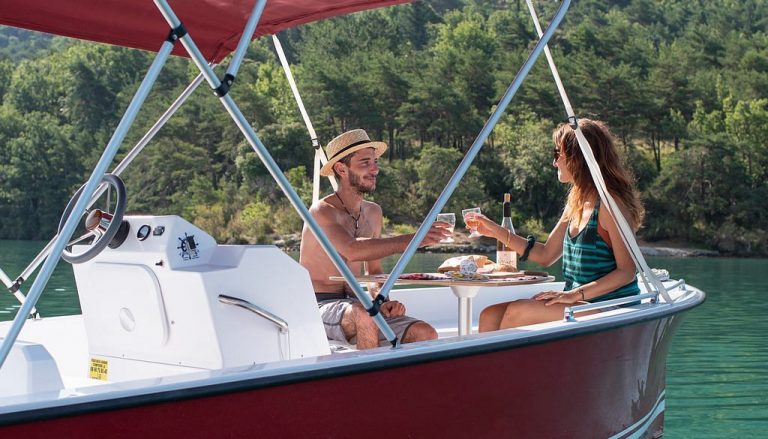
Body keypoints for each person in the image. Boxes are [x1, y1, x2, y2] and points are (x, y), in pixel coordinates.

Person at [467, 119, 644, 331]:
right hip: (579, 302)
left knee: (518, 313)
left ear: (577, 159)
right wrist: (495, 231)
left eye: (557, 154)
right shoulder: (575, 203)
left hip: (610, 306)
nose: (554, 162)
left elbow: (627, 271)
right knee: (489, 315)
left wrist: (572, 295)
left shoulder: (609, 205)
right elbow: (545, 254)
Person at [299, 129, 449, 349]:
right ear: (341, 168)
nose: (375, 169)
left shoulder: (373, 212)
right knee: (365, 314)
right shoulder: (322, 211)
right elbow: (352, 250)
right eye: (365, 163)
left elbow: (374, 274)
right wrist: (413, 239)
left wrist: (383, 301)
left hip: (359, 303)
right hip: (318, 306)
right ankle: (368, 382)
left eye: (375, 162)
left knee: (425, 333)